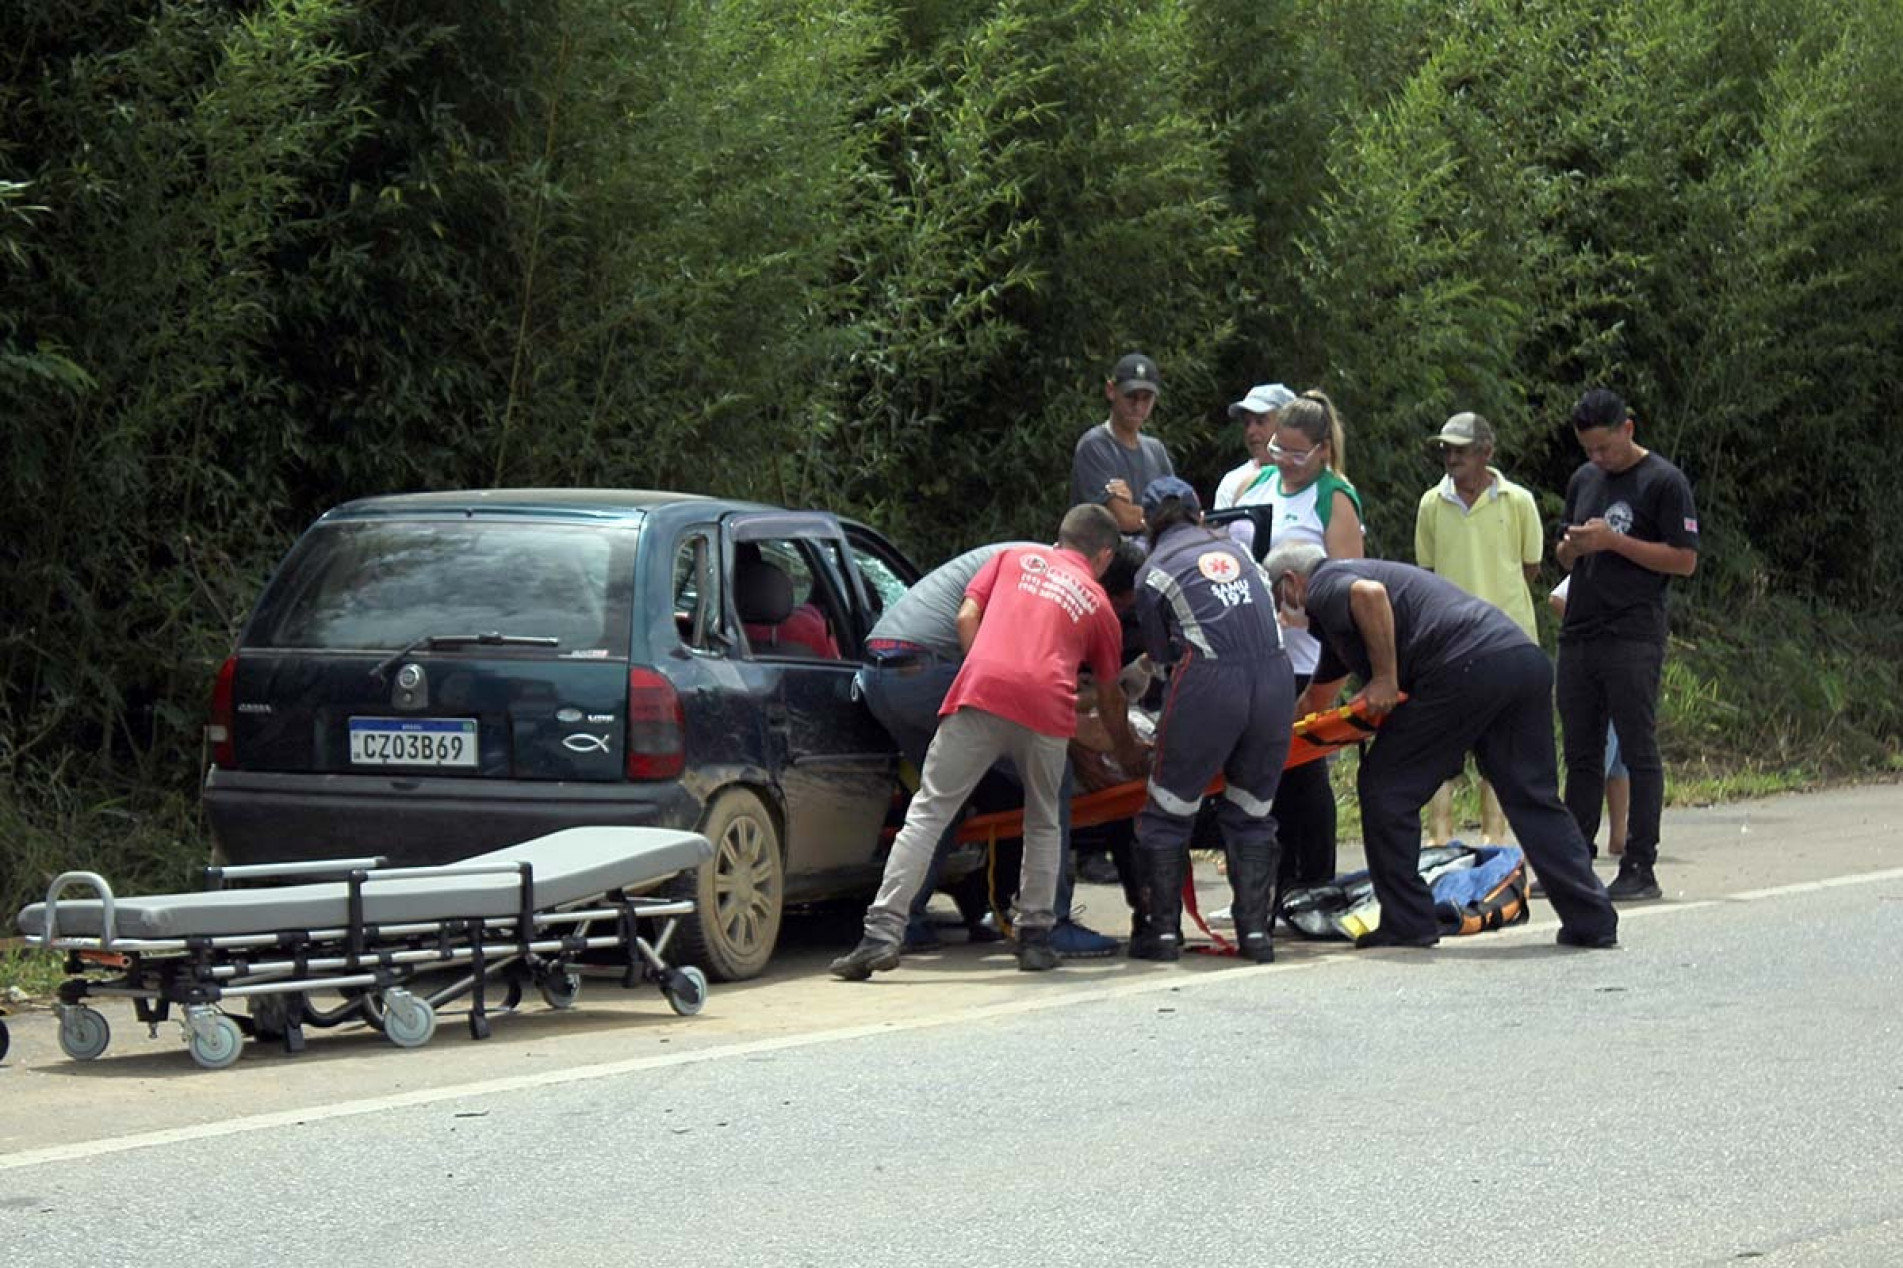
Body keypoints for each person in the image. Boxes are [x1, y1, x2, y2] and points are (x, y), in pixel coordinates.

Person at [830, 505, 1144, 979]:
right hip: (1044, 710)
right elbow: (1108, 694)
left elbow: (966, 615)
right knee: (1044, 819)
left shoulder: (1012, 557)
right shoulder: (1098, 604)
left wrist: (990, 669)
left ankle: (882, 933)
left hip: (978, 692)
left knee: (929, 810)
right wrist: (1127, 752)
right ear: (1103, 555)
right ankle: (1037, 936)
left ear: (1059, 537)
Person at [1263, 542, 1619, 950]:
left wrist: (1384, 678)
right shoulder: (1337, 629)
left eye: (1277, 599)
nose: (1281, 613)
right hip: (1517, 659)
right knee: (1531, 798)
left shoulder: (1326, 583)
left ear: (1291, 583)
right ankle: (1591, 918)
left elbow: (1369, 596)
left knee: (1386, 787)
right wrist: (1268, 746)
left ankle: (1408, 919)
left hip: (1465, 667)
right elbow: (1313, 703)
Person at [1128, 478, 1295, 964]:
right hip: (1275, 679)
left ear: (1146, 523)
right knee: (1251, 810)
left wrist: (1149, 717)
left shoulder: (1153, 571)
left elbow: (1162, 663)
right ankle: (1255, 935)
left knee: (1168, 809)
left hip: (1208, 683)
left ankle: (1160, 935)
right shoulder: (1244, 556)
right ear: (1201, 515)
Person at [1554, 389, 1699, 901]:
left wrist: (1616, 542)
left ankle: (1640, 865)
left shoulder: (1663, 481)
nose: (1598, 459)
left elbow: (1684, 560)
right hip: (1580, 630)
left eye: (1605, 448)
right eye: (1589, 450)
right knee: (1581, 753)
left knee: (1638, 749)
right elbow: (1565, 555)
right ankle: (1573, 861)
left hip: (1633, 633)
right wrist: (1572, 547)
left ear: (1627, 430)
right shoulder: (1584, 480)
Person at [1227, 390, 1362, 893]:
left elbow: (1350, 585)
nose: (1283, 461)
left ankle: (1315, 880)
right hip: (1252, 654)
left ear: (1324, 449)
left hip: (1306, 657)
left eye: (1296, 453)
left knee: (1304, 770)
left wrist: (1308, 621)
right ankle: (1272, 881)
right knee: (1263, 772)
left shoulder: (1334, 497)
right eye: (1278, 448)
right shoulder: (1257, 484)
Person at [1413, 411, 1543, 845]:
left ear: (1486, 452)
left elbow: (1530, 566)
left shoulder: (1518, 500)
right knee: (1442, 744)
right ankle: (1440, 839)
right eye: (1446, 449)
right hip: (1448, 642)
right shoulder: (1432, 502)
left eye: (1461, 450)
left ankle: (1495, 838)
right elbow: (1426, 571)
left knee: (1500, 748)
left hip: (1508, 639)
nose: (1451, 458)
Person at [1550, 576, 1629, 856]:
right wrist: (1587, 626)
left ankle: (1620, 834)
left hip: (1627, 660)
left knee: (1622, 759)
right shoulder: (1598, 559)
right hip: (1597, 663)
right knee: (1597, 760)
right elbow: (1557, 597)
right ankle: (1575, 839)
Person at [1070, 353, 1175, 536]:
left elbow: (1179, 510)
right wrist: (1163, 515)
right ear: (1111, 390)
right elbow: (1123, 519)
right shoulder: (1094, 446)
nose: (1138, 406)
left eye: (1146, 398)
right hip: (1107, 557)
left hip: (1154, 554)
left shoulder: (1155, 449)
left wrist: (1144, 513)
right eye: (1131, 396)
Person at [1213, 383, 1297, 511]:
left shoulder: (1312, 480)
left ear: (1288, 424)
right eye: (1247, 424)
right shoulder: (1232, 482)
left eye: (1260, 421)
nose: (1251, 431)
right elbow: (1219, 530)